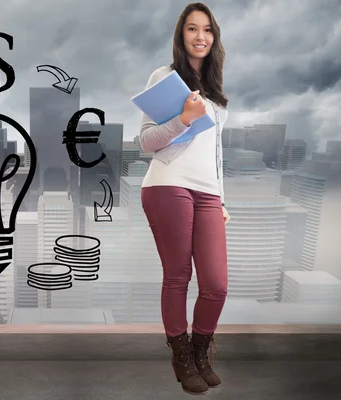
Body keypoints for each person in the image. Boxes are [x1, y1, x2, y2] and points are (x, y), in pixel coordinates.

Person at [139, 2, 230, 396]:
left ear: (214, 37)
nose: (200, 36)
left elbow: (216, 155)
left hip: (208, 192)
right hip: (168, 184)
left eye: (207, 29)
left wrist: (222, 200)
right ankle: (181, 357)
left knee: (216, 284)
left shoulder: (216, 93)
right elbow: (145, 142)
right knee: (178, 276)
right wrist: (185, 119)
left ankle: (200, 349)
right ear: (182, 36)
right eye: (192, 29)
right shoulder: (166, 77)